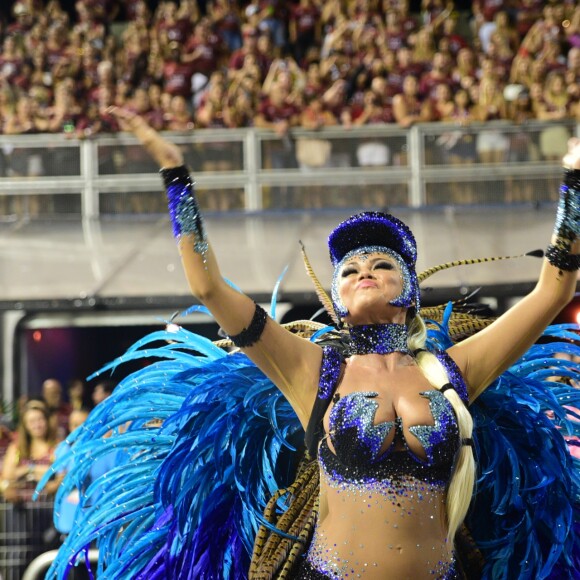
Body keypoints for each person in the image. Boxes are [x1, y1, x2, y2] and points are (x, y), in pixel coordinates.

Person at [39, 109, 579, 579]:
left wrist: (574, 179)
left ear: (410, 290)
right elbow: (207, 287)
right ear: (338, 297)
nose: (363, 270)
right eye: (348, 269)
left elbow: (555, 289)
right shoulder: (314, 371)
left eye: (382, 264)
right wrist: (175, 174)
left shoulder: (450, 371)